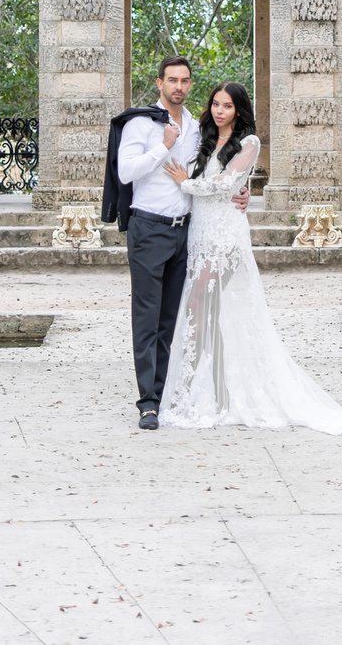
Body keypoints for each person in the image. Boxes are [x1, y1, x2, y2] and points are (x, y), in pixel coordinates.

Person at [157, 80, 342, 437]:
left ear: (239, 110)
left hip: (225, 237)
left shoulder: (248, 143)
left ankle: (200, 396)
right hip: (200, 234)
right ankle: (211, 394)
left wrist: (187, 183)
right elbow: (213, 181)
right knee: (206, 313)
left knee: (202, 308)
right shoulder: (203, 140)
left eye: (227, 106)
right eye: (216, 104)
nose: (219, 111)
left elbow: (227, 185)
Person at [105, 56, 241, 429]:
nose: (178, 86)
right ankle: (148, 403)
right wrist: (163, 146)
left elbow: (214, 171)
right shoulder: (141, 123)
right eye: (171, 80)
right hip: (149, 228)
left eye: (184, 81)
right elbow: (125, 171)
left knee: (171, 320)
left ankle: (164, 397)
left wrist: (238, 195)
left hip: (187, 232)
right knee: (147, 319)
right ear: (159, 83)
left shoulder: (198, 129)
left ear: (190, 85)